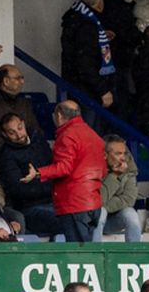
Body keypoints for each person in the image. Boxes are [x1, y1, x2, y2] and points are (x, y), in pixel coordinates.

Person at [34, 99, 106, 243]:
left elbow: (64, 167)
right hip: (94, 202)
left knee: (78, 255)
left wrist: (39, 173)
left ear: (59, 115)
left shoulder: (67, 135)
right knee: (88, 251)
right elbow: (103, 169)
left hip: (74, 202)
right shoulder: (94, 135)